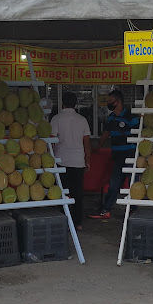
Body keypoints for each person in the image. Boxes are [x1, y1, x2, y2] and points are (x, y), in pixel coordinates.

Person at [89, 89, 139, 220]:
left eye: (111, 101)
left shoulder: (131, 116)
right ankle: (106, 210)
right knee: (114, 184)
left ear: (119, 101)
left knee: (133, 183)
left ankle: (134, 210)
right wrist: (97, 146)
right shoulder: (111, 117)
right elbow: (106, 134)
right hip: (117, 155)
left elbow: (139, 133)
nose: (109, 104)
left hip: (130, 154)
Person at [50, 91, 91, 230]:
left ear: (63, 103)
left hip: (61, 160)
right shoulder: (82, 120)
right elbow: (86, 143)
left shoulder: (56, 118)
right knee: (77, 193)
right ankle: (77, 223)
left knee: (63, 193)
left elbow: (52, 141)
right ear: (75, 104)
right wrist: (88, 160)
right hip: (78, 161)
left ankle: (64, 221)